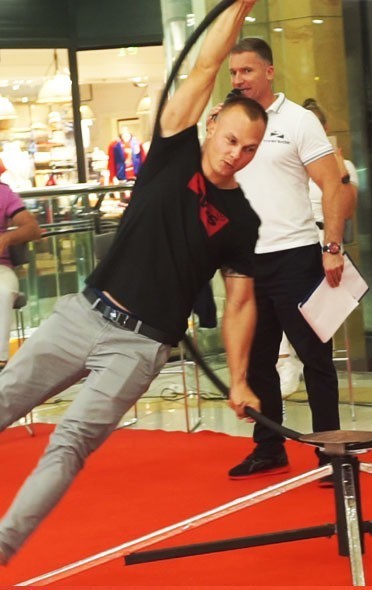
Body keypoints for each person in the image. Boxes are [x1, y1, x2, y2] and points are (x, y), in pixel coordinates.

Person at [0, 0, 264, 565]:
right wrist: (239, 7)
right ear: (212, 125)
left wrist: (240, 380)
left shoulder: (243, 220)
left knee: (69, 443)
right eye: (230, 140)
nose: (235, 155)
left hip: (139, 347)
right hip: (84, 313)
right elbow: (204, 66)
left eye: (249, 149)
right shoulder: (172, 152)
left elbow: (241, 302)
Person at [225, 38, 357, 479]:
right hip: (247, 262)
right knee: (258, 361)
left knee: (315, 359)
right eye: (233, 72)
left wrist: (332, 247)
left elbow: (332, 184)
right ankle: (269, 447)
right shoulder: (229, 124)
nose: (239, 79)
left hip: (296, 255)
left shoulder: (299, 120)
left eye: (246, 71)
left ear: (269, 71)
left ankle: (331, 452)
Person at [275, 98, 359, 397]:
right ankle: (285, 361)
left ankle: (310, 364)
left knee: (317, 321)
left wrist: (341, 173)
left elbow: (347, 211)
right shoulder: (289, 163)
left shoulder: (342, 166)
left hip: (327, 241)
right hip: (294, 240)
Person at [0, 162, 42, 368]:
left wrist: (6, 239)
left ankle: (0, 360)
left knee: (4, 291)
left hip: (1, 268)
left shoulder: (4, 193)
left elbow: (32, 228)